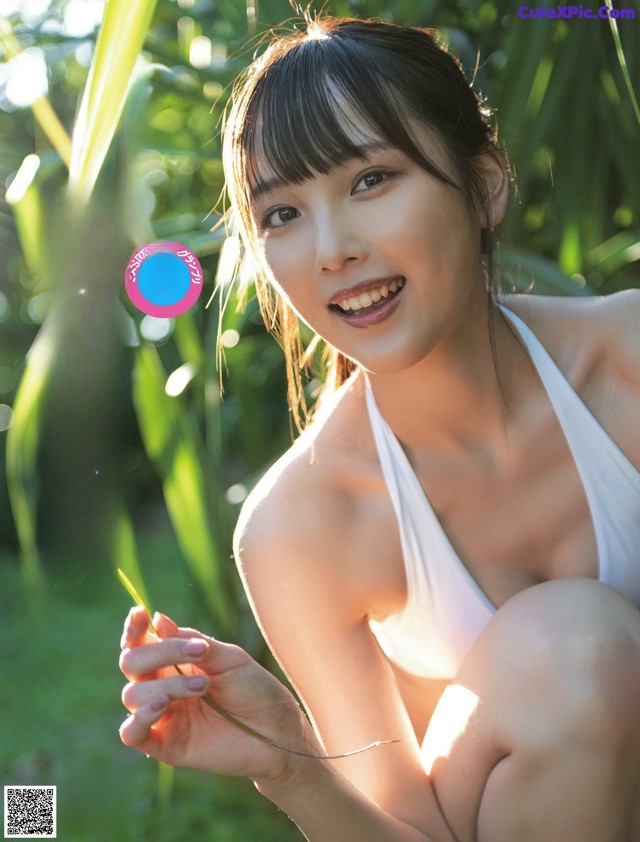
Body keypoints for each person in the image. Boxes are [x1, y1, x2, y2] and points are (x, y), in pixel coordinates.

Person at [118, 16, 640, 842]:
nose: (331, 250)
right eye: (282, 213)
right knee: (571, 647)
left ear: (485, 186)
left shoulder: (627, 362)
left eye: (370, 180)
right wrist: (288, 761)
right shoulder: (301, 525)